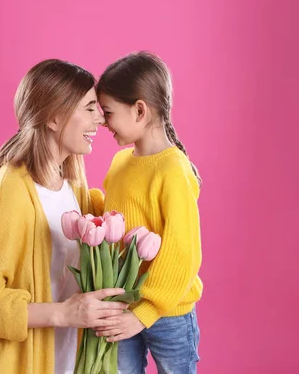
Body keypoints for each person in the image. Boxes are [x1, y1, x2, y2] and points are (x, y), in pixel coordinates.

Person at [0, 59, 128, 374]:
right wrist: (63, 314)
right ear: (54, 117)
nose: (101, 119)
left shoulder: (72, 178)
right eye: (89, 108)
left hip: (63, 360)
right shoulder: (9, 196)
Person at [94, 51, 203, 374]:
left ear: (139, 110)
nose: (102, 122)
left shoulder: (173, 170)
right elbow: (116, 217)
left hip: (168, 312)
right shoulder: (120, 164)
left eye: (109, 112)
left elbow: (180, 253)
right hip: (123, 305)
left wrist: (144, 313)